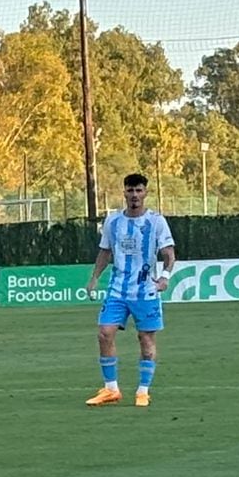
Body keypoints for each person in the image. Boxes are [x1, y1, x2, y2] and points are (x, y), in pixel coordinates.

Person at [86, 173, 176, 408]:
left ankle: (143, 391)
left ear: (145, 193)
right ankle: (111, 389)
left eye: (138, 190)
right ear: (124, 192)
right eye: (130, 190)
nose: (134, 195)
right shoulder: (113, 221)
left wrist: (164, 277)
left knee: (145, 339)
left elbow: (169, 254)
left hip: (145, 290)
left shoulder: (156, 222)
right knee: (104, 333)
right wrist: (95, 277)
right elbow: (105, 252)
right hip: (117, 290)